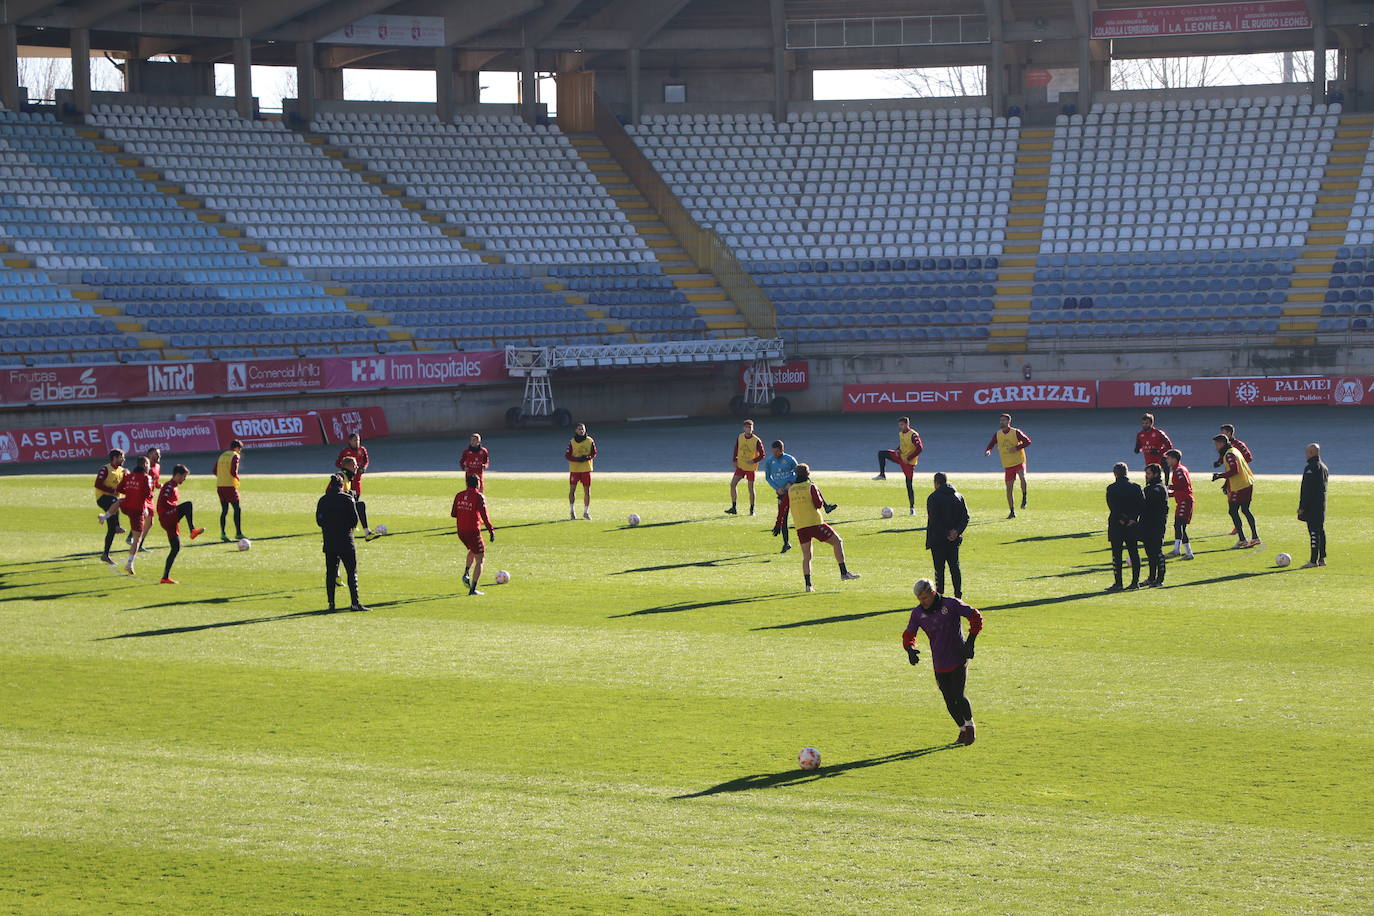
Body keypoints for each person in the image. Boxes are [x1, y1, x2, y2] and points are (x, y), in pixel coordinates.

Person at [902, 578, 983, 746]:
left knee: (958, 696)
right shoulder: (918, 613)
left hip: (958, 656)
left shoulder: (951, 604)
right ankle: (961, 729)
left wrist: (970, 643)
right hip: (939, 661)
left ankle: (970, 726)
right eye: (919, 599)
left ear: (932, 593)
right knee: (948, 700)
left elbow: (975, 616)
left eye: (924, 598)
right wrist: (910, 650)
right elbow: (909, 634)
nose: (922, 602)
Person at [786, 463, 860, 592]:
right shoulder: (810, 486)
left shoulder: (791, 489)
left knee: (807, 556)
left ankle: (808, 585)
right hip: (815, 523)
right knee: (837, 541)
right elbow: (818, 504)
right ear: (808, 474)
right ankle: (844, 572)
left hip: (800, 526)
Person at [315, 474, 368, 612]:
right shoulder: (347, 499)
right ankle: (355, 603)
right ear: (341, 485)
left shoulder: (323, 500)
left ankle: (331, 604)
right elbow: (354, 520)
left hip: (330, 541)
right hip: (346, 541)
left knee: (330, 573)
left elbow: (319, 521)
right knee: (351, 572)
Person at [156, 464, 204, 584]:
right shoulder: (169, 486)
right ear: (177, 475)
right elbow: (163, 501)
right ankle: (192, 530)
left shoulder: (174, 486)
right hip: (167, 516)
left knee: (175, 547)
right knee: (188, 505)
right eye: (184, 476)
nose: (185, 479)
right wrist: (176, 508)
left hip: (170, 519)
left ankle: (165, 577)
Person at [925, 472, 969, 598]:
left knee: (939, 569)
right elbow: (965, 517)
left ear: (936, 483)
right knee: (955, 567)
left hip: (938, 539)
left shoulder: (933, 497)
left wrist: (945, 533)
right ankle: (958, 595)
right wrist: (956, 531)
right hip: (954, 540)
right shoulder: (958, 496)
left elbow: (934, 520)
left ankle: (939, 595)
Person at [451, 472, 496, 596]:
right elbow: (485, 516)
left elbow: (453, 514)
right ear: (478, 483)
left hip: (461, 531)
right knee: (480, 558)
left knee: (473, 549)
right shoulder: (479, 497)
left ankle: (466, 572)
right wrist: (491, 530)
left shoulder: (459, 495)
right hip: (472, 531)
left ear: (466, 483)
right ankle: (473, 589)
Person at [110, 455, 155, 576]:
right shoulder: (147, 477)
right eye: (148, 464)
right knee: (137, 539)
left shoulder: (129, 475)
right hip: (137, 509)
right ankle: (129, 564)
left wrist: (132, 491)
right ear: (145, 464)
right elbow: (149, 494)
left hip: (126, 507)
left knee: (119, 501)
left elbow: (119, 490)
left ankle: (105, 516)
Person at [1212, 434, 1259, 549]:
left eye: (1217, 445)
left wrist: (1220, 475)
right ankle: (1254, 537)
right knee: (1245, 510)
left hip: (1239, 486)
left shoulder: (1229, 455)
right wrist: (1226, 484)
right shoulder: (1234, 450)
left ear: (1222, 444)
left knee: (1233, 511)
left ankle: (1243, 539)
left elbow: (1235, 470)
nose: (1216, 447)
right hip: (1247, 483)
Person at [1105, 461, 1144, 591]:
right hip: (1132, 524)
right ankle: (1135, 582)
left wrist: (1122, 519)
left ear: (1115, 474)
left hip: (1116, 524)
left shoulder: (1111, 488)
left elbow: (1113, 507)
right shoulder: (1136, 487)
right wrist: (1132, 519)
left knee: (1117, 554)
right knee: (1133, 552)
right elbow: (1141, 505)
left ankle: (1118, 582)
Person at [873, 416, 924, 516]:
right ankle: (882, 474)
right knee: (882, 453)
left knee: (909, 485)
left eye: (901, 424)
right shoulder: (901, 433)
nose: (899, 426)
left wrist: (909, 458)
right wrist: (897, 450)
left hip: (908, 463)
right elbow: (902, 445)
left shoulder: (913, 434)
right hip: (901, 457)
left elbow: (920, 448)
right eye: (899, 425)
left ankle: (912, 508)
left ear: (906, 424)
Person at [984, 413, 1031, 518]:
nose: (1001, 422)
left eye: (1004, 420)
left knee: (1022, 477)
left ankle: (1024, 497)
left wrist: (1017, 447)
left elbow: (1028, 442)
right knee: (1009, 488)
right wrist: (988, 450)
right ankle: (1012, 511)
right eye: (1000, 420)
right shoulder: (998, 434)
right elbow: (992, 443)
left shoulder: (1016, 432)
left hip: (1019, 460)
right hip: (1007, 464)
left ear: (1009, 422)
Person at [1214, 424, 1253, 536]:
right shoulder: (1227, 448)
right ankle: (1241, 530)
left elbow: (1248, 458)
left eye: (1223, 432)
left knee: (1235, 509)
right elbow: (1224, 458)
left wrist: (1239, 463)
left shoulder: (1237, 445)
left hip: (1238, 479)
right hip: (1233, 478)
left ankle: (1241, 534)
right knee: (1237, 508)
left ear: (1229, 433)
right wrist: (1219, 462)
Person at [760, 439, 798, 554]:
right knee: (783, 518)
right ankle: (786, 543)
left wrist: (790, 483)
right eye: (773, 452)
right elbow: (768, 477)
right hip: (781, 495)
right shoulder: (769, 461)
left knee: (800, 516)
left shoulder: (790, 459)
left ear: (782, 450)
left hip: (793, 492)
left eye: (777, 452)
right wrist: (777, 488)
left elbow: (798, 472)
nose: (775, 454)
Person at [93, 448, 127, 565]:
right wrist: (112, 491)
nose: (123, 459)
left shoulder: (122, 471)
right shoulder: (105, 469)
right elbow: (97, 484)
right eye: (121, 457)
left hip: (115, 500)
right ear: (115, 458)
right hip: (103, 498)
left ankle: (105, 554)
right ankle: (117, 525)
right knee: (115, 501)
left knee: (110, 529)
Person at [1297, 443, 1328, 568]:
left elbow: (1307, 490)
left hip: (1312, 507)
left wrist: (1302, 507)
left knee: (1314, 533)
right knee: (1320, 531)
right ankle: (1322, 558)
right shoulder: (1324, 467)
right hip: (1321, 506)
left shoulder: (1310, 468)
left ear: (1311, 453)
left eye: (1307, 452)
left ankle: (1313, 560)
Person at [726, 419, 765, 516]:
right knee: (732, 484)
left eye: (750, 427)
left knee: (750, 489)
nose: (748, 429)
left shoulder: (756, 440)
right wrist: (734, 459)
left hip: (750, 468)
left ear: (753, 428)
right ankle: (734, 507)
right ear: (744, 428)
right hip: (741, 466)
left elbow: (762, 455)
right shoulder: (740, 437)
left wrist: (754, 461)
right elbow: (736, 448)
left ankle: (752, 509)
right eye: (746, 427)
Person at [1141, 464, 1169, 587]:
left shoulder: (1157, 489)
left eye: (1148, 474)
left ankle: (1160, 579)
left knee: (1156, 551)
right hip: (1148, 524)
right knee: (1150, 552)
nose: (1146, 476)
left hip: (1156, 525)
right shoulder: (1153, 488)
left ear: (1156, 474)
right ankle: (1152, 577)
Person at [1163, 448, 1194, 560]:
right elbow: (1181, 489)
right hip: (1183, 500)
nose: (1167, 461)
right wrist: (1168, 494)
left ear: (1174, 459)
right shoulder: (1178, 469)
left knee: (1179, 525)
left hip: (1185, 501)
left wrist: (1169, 487)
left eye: (1168, 458)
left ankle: (1177, 550)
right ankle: (1188, 553)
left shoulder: (1178, 470)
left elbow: (1184, 485)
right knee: (1181, 527)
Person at [337, 456, 378, 541]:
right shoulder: (340, 476)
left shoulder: (347, 476)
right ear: (347, 466)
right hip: (337, 507)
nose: (357, 468)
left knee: (359, 505)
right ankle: (366, 532)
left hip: (342, 506)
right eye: (354, 466)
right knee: (360, 505)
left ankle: (366, 532)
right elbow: (334, 492)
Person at [214, 440, 246, 543]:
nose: (240, 451)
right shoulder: (235, 455)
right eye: (240, 449)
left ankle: (223, 533)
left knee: (224, 510)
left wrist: (222, 477)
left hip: (220, 485)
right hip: (229, 486)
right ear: (237, 448)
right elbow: (233, 471)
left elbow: (214, 470)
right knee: (237, 509)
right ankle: (238, 533)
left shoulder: (222, 455)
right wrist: (237, 478)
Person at [565, 423, 596, 520]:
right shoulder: (572, 442)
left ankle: (586, 512)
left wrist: (587, 457)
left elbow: (594, 453)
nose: (581, 431)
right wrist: (576, 459)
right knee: (572, 490)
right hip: (575, 469)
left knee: (587, 491)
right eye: (579, 429)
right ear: (576, 430)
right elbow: (567, 455)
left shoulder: (590, 441)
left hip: (586, 469)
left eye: (583, 429)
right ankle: (572, 511)